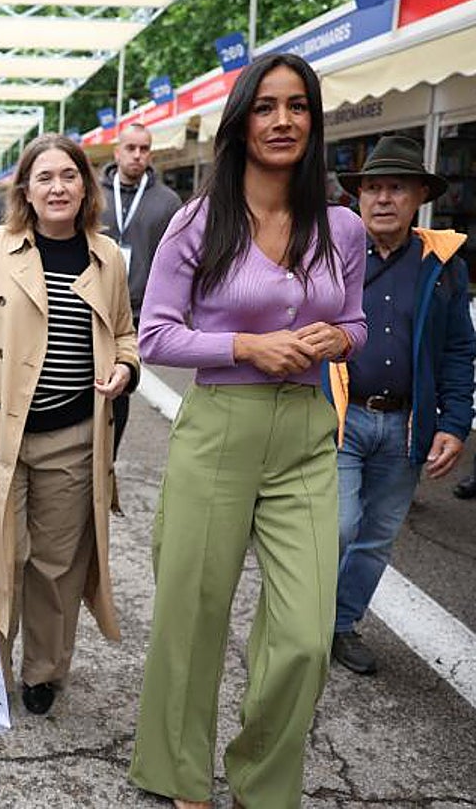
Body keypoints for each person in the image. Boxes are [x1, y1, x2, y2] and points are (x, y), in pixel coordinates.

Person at [128, 53, 368, 809]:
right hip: (221, 426)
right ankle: (178, 773)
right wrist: (244, 345)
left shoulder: (344, 227)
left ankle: (261, 780)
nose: (283, 121)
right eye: (266, 107)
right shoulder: (196, 222)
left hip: (306, 433)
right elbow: (156, 335)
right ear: (242, 121)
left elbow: (357, 321)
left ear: (314, 120)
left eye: (298, 106)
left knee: (302, 637)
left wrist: (338, 339)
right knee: (192, 617)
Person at [0, 133, 137, 716]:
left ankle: (44, 672)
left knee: (57, 565)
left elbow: (126, 335)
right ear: (25, 189)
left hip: (73, 440)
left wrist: (126, 367)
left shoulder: (107, 258)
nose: (58, 187)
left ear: (86, 186)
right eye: (45, 177)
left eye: (69, 176)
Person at [326, 135, 475, 674]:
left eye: (396, 188)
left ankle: (340, 626)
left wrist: (456, 424)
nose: (383, 199)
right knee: (337, 525)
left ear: (418, 198)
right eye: (373, 188)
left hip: (407, 423)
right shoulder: (332, 253)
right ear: (358, 196)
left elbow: (460, 349)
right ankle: (305, 621)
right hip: (342, 416)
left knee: (377, 538)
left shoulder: (445, 265)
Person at [99, 122, 182, 456]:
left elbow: (176, 261)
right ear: (116, 152)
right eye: (130, 148)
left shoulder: (167, 202)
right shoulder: (93, 194)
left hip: (136, 311)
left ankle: (108, 461)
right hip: (91, 302)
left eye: (144, 149)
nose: (137, 155)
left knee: (121, 381)